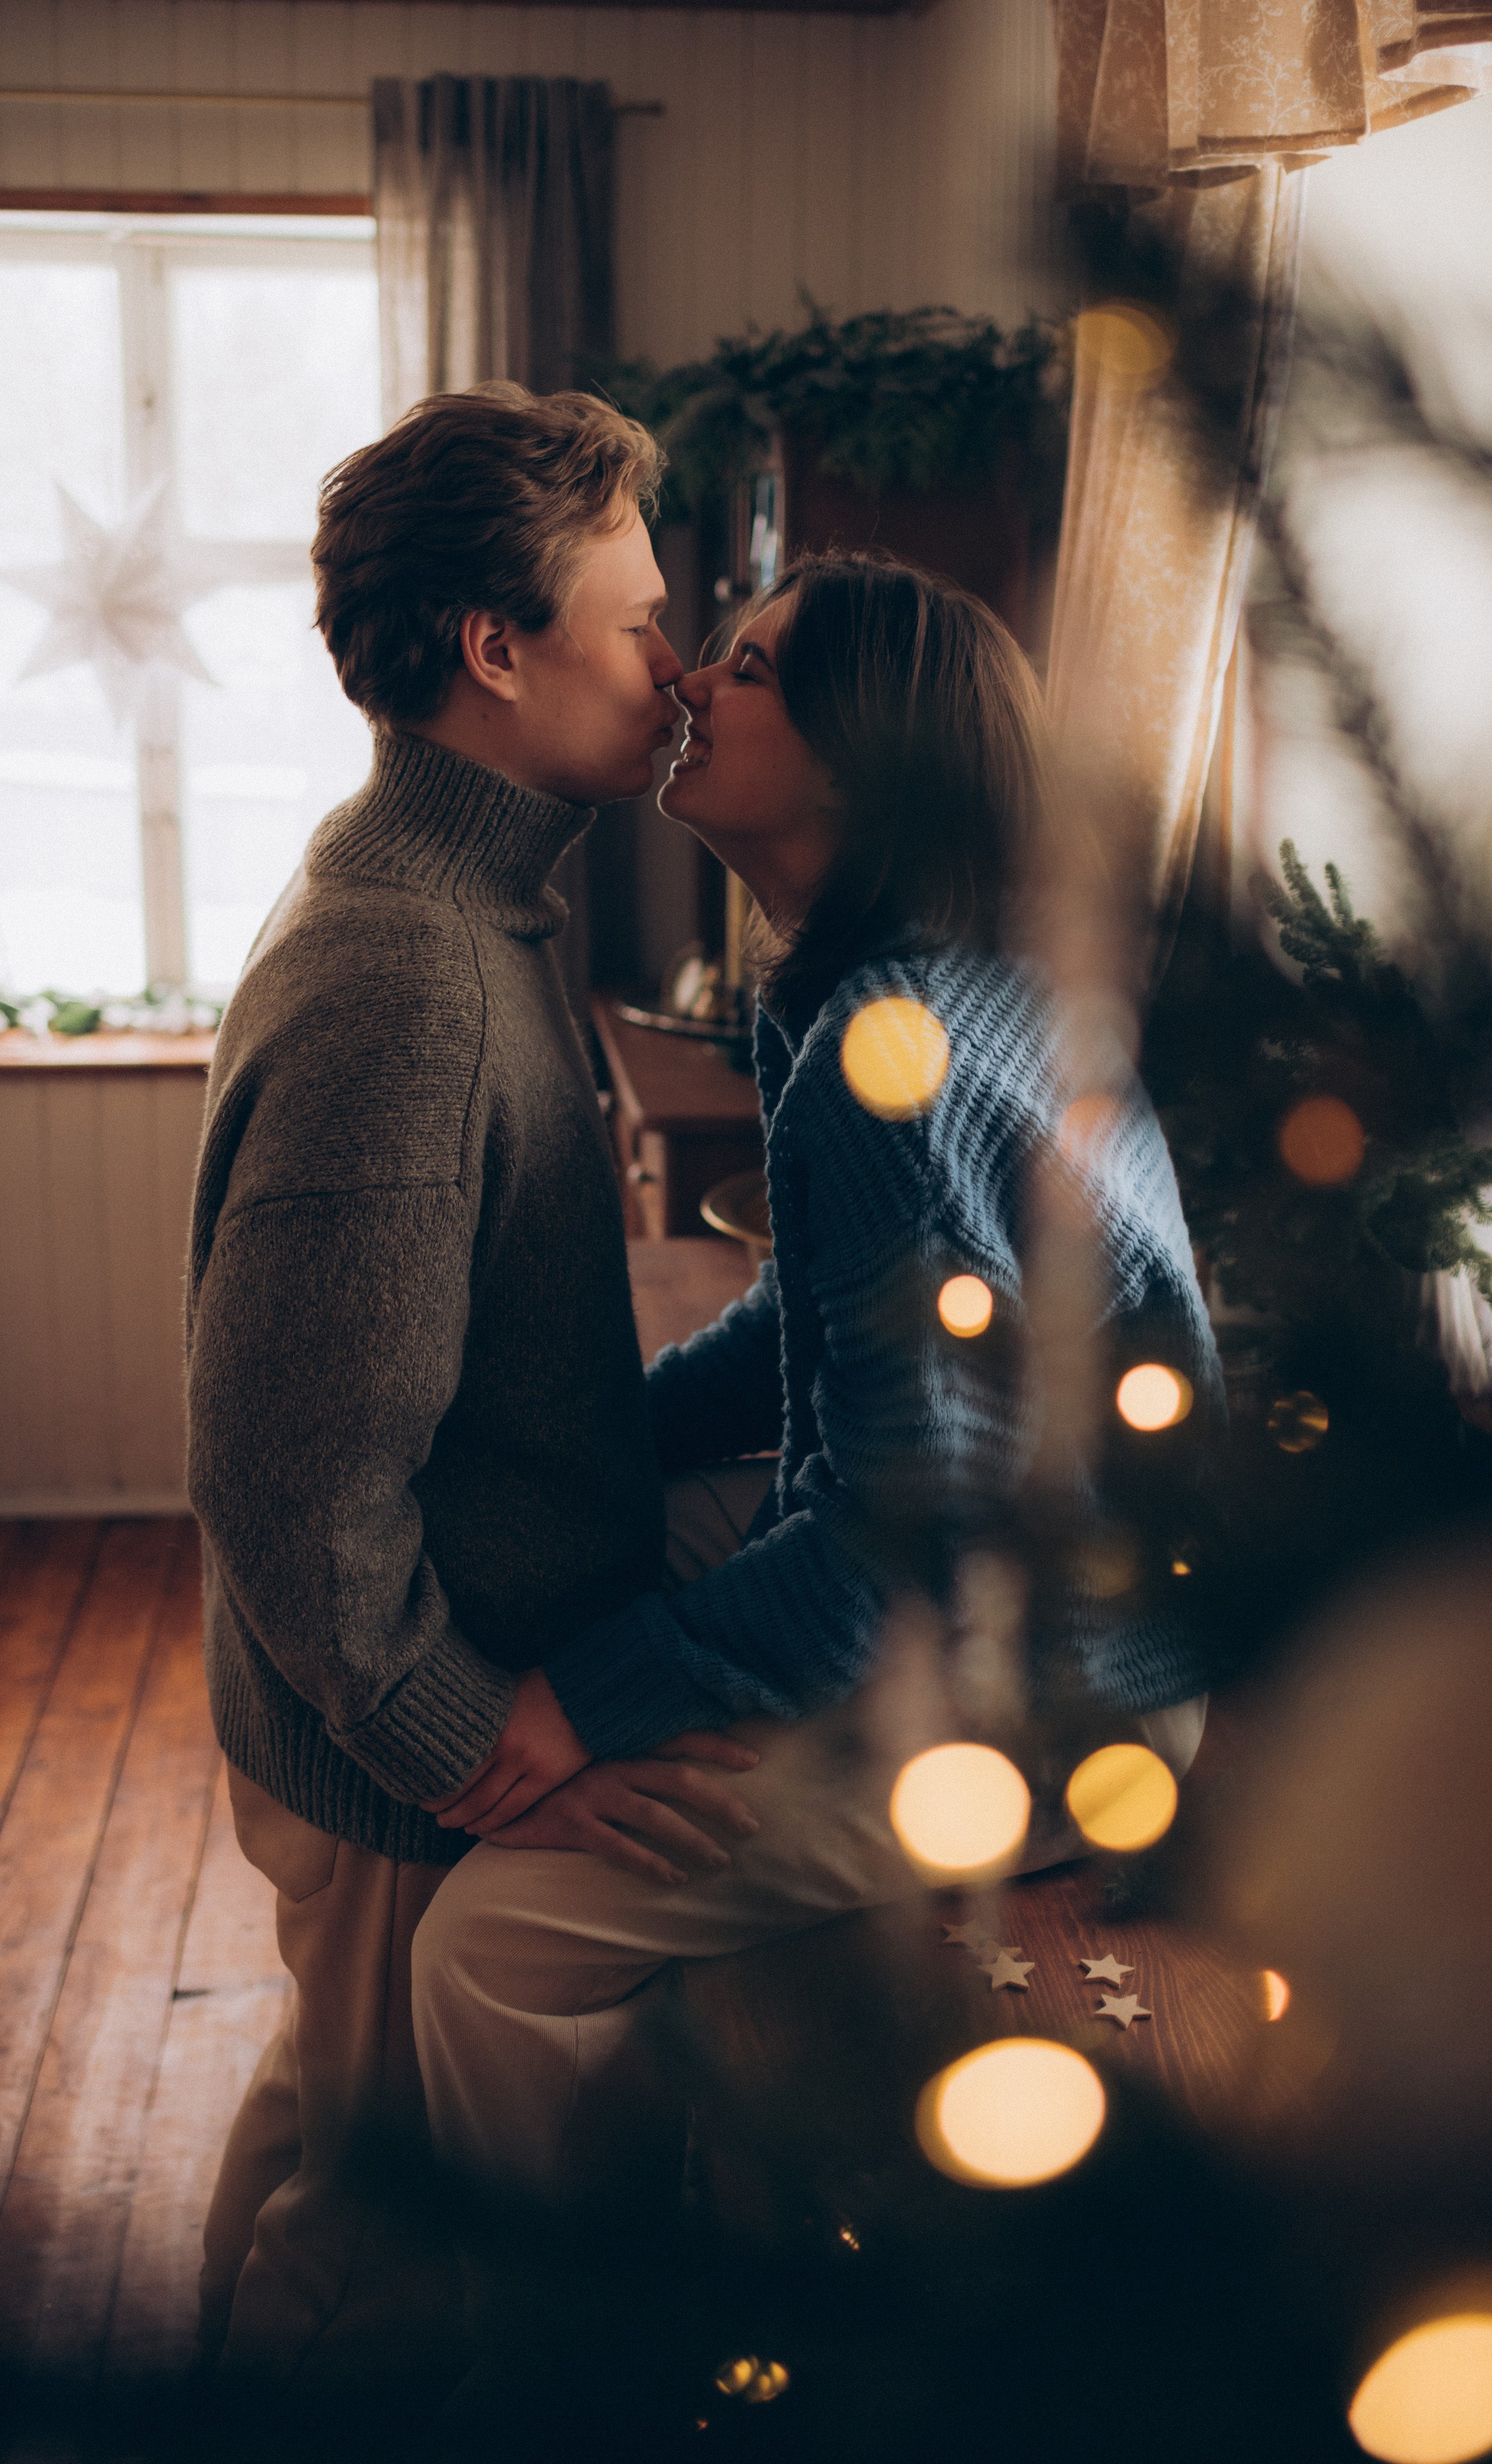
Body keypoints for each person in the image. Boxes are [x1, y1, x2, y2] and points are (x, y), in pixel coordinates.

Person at [410, 554, 1220, 2334]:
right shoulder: (915, 987)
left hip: (1051, 1690)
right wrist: (591, 1439)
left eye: (755, 664)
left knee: (480, 1948)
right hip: (1073, 1602)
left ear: (860, 755)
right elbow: (810, 1338)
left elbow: (885, 1548)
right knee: (589, 1547)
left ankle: (590, 2348)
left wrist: (590, 1703)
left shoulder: (881, 1036)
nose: (693, 671)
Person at [185, 381, 758, 2404]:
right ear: (494, 655)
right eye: (638, 621)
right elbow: (289, 1470)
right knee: (380, 2257)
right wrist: (465, 1742)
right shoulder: (411, 972)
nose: (678, 666)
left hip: (387, 1722)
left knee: (322, 2141)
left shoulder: (476, 901)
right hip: (398, 1744)